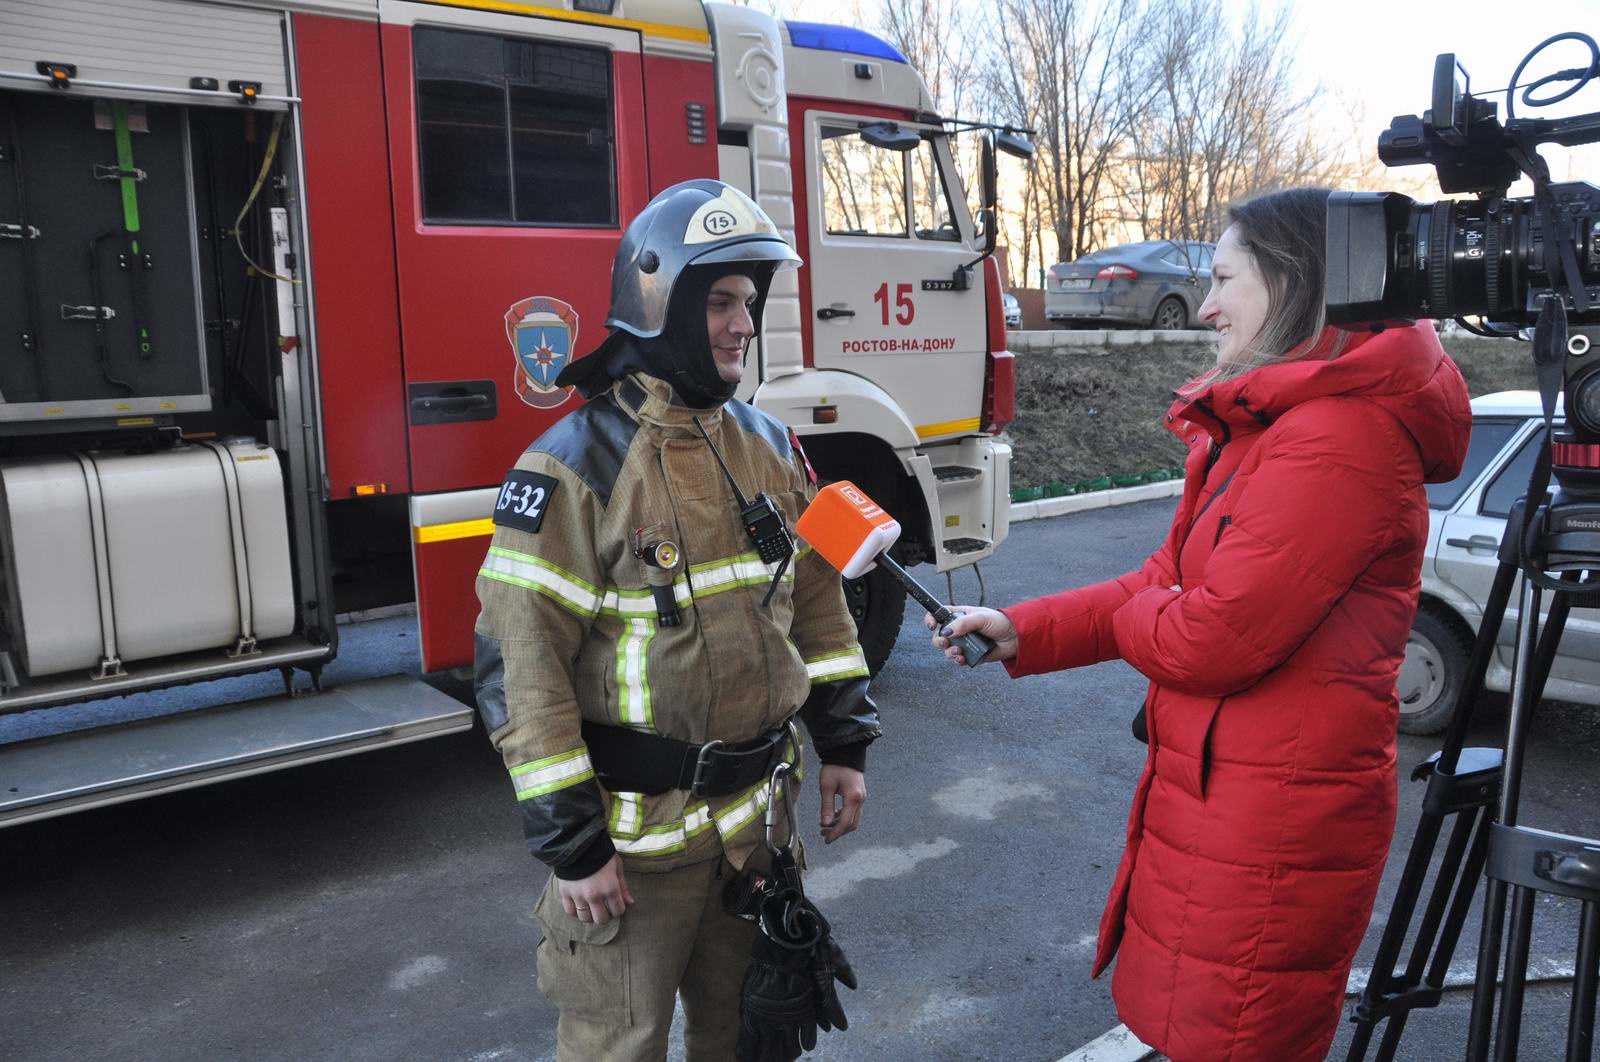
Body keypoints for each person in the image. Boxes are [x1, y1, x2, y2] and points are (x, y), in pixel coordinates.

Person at [931, 188, 1472, 1061]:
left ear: (1296, 283)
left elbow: (1209, 636)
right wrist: (1023, 626)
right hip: (1236, 809)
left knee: (1235, 1039)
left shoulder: (1338, 437)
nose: (1209, 306)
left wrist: (1165, 610)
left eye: (1224, 279)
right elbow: (1168, 587)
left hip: (1270, 829)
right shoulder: (1281, 426)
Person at [474, 180, 880, 1061]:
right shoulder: (573, 466)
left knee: (747, 1040)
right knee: (619, 1047)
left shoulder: (771, 448)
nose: (743, 324)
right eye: (721, 302)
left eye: (750, 302)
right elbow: (521, 666)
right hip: (630, 852)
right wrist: (573, 846)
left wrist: (844, 743)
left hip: (756, 833)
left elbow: (815, 602)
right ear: (663, 305)